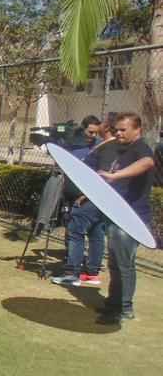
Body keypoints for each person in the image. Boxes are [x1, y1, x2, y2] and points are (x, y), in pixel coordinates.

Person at [96, 112, 156, 324]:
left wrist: (114, 175)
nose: (118, 133)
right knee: (114, 263)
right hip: (117, 216)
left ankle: (124, 308)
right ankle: (113, 303)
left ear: (137, 129)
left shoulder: (141, 147)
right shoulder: (124, 150)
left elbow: (147, 162)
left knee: (124, 265)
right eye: (117, 129)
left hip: (132, 218)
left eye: (123, 129)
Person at [52, 118, 119, 287]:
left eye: (102, 124)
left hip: (93, 199)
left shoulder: (108, 148)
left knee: (75, 230)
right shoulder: (109, 146)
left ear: (107, 128)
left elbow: (103, 175)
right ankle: (91, 273)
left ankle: (71, 273)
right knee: (96, 232)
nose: (98, 128)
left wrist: (85, 196)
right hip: (101, 200)